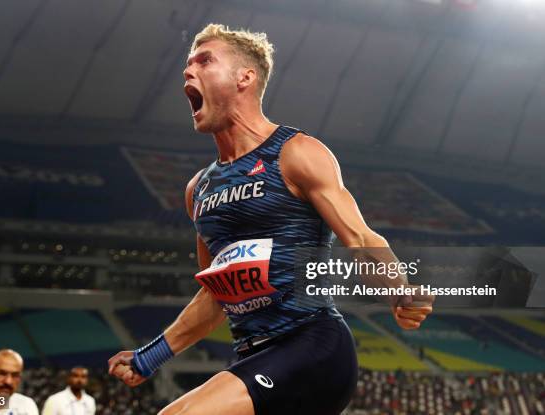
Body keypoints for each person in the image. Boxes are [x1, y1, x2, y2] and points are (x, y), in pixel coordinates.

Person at [108, 24, 435, 415]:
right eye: (188, 63)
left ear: (244, 77)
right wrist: (148, 358)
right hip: (252, 357)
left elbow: (360, 238)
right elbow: (217, 294)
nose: (187, 71)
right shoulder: (200, 190)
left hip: (313, 347)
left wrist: (399, 289)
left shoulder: (295, 153)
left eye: (205, 60)